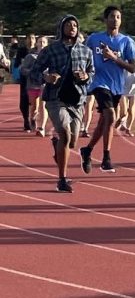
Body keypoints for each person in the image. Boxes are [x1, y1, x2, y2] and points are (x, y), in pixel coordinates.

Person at [34, 15, 94, 193]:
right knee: (65, 135)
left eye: (75, 25)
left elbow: (92, 73)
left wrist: (86, 77)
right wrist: (46, 77)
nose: (72, 28)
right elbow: (32, 71)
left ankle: (58, 145)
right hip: (55, 99)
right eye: (68, 25)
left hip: (77, 101)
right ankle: (62, 179)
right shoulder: (51, 50)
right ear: (61, 29)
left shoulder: (85, 51)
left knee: (72, 142)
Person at [81, 6, 135, 174]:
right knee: (111, 116)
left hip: (116, 86)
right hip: (98, 83)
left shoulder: (126, 41)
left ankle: (88, 150)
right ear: (105, 19)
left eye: (118, 17)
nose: (115, 20)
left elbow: (132, 68)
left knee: (104, 121)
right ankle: (106, 158)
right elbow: (82, 56)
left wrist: (114, 58)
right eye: (112, 16)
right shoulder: (94, 39)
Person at [21, 36, 49, 137]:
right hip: (32, 85)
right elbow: (23, 69)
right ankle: (32, 118)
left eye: (44, 42)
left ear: (47, 44)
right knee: (34, 107)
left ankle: (42, 128)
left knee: (43, 105)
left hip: (44, 84)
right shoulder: (30, 56)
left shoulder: (49, 56)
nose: (41, 44)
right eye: (40, 42)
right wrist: (31, 72)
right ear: (36, 44)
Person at [14, 34, 37, 130]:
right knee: (24, 101)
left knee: (35, 101)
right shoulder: (22, 50)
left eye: (33, 38)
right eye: (29, 38)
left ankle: (33, 118)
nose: (31, 40)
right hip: (25, 79)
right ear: (26, 40)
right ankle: (26, 120)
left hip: (36, 80)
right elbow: (17, 64)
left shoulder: (38, 50)